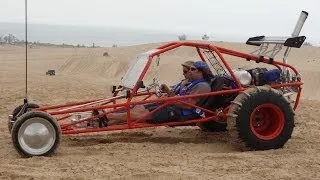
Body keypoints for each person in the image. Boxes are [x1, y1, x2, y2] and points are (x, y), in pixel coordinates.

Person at [106, 60, 213, 125]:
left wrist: (169, 95)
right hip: (171, 104)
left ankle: (106, 117)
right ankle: (101, 122)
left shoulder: (202, 86)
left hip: (180, 112)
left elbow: (188, 105)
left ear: (200, 72)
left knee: (141, 114)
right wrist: (166, 95)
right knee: (138, 108)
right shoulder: (190, 83)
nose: (189, 71)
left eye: (192, 69)